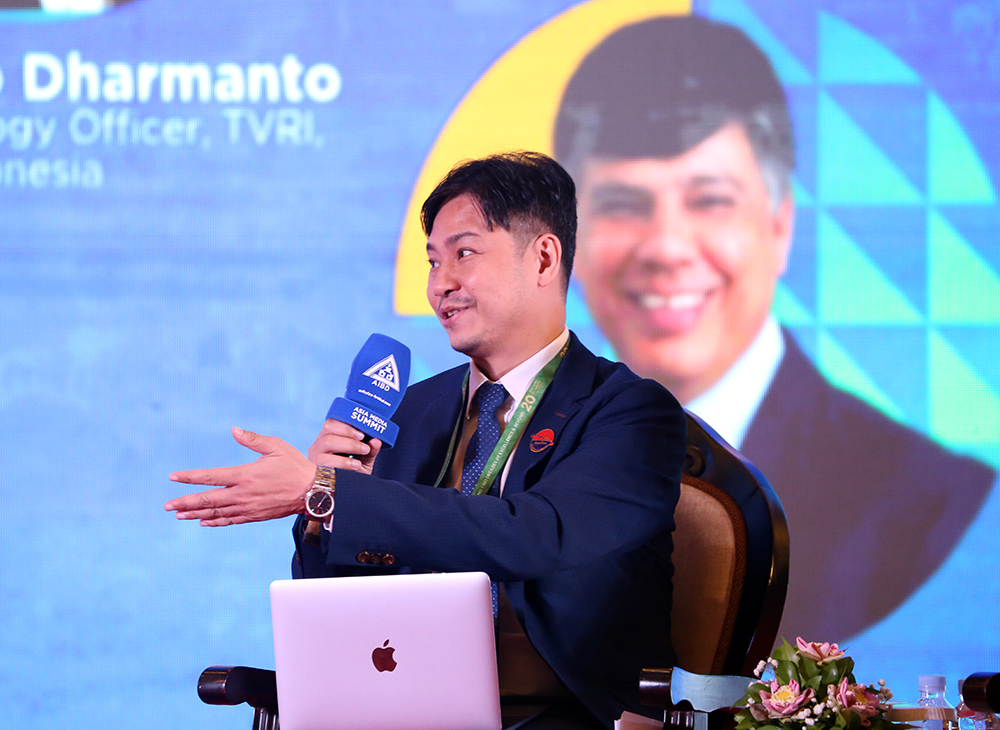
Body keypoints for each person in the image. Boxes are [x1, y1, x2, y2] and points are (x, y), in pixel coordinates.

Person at [165, 151, 686, 729]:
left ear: (543, 257)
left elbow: (538, 535)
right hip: (404, 707)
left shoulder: (630, 412)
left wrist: (330, 492)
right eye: (433, 261)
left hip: (567, 713)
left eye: (464, 254)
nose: (441, 284)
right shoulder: (409, 411)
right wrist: (321, 517)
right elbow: (340, 613)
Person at [554, 15, 996, 643]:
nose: (667, 249)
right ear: (570, 245)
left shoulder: (934, 505)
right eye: (623, 205)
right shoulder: (527, 468)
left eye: (710, 200)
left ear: (780, 224)